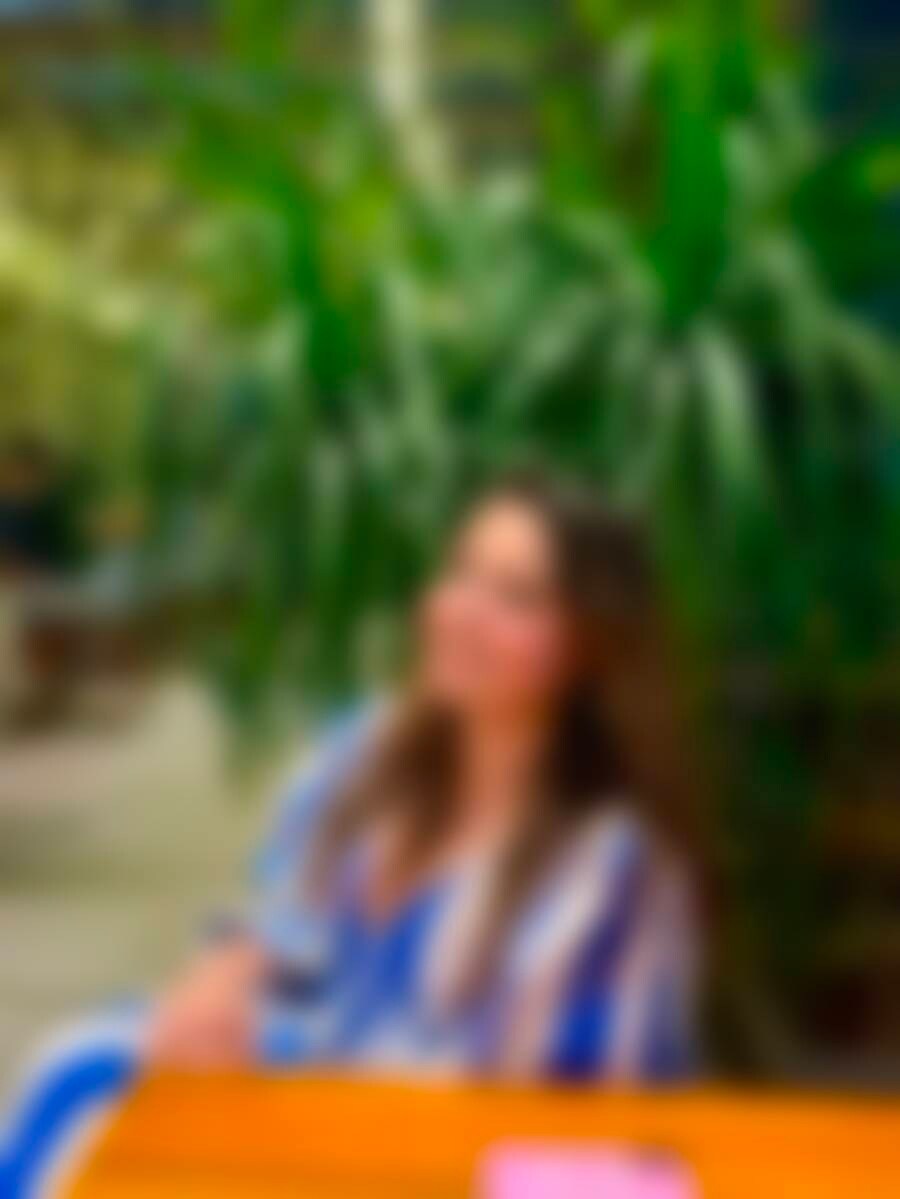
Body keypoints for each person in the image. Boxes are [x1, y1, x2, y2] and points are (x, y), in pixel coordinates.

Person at [1, 471, 700, 1198]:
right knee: (81, 1072)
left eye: (517, 596)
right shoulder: (366, 747)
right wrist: (226, 973)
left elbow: (597, 1115)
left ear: (591, 643)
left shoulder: (612, 864)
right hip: (297, 1087)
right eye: (462, 573)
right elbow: (280, 910)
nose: (463, 612)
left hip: (440, 1156)